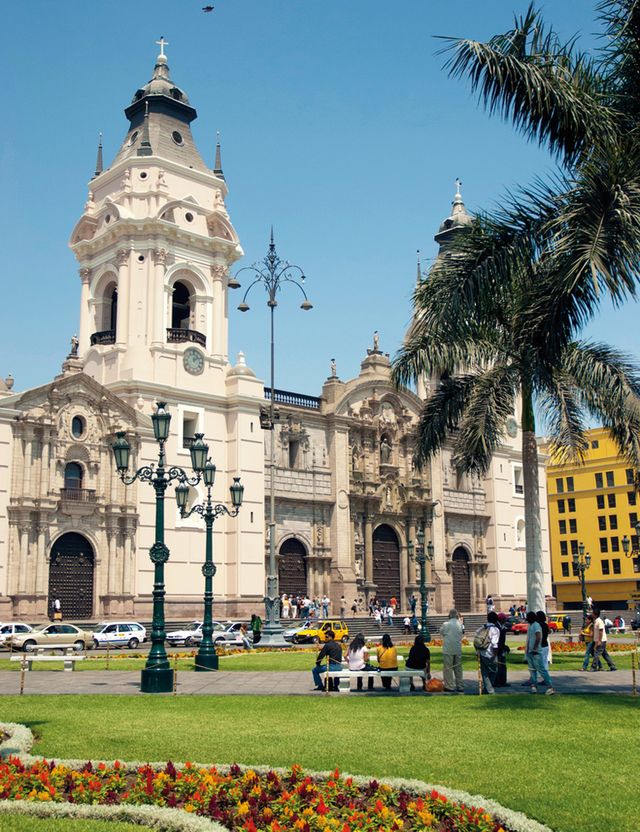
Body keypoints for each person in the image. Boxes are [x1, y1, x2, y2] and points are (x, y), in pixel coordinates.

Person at [525, 611, 555, 694]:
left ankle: (550, 687)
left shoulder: (536, 625)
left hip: (536, 651)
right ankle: (533, 685)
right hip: (531, 651)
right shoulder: (531, 626)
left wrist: (535, 648)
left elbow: (538, 637)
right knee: (532, 669)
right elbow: (530, 638)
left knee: (541, 669)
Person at [440, 609, 464, 693]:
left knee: (448, 668)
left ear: (449, 615)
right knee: (458, 668)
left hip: (448, 649)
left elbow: (441, 632)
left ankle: (449, 686)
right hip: (457, 648)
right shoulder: (460, 624)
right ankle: (460, 685)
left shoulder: (446, 624)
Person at [477, 611, 500, 694]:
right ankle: (490, 689)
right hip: (490, 653)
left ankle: (487, 689)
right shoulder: (495, 630)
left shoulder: (482, 627)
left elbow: (477, 637)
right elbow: (494, 644)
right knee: (494, 671)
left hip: (482, 652)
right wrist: (495, 654)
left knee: (485, 672)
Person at [494, 612, 510, 688]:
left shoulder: (502, 626)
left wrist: (505, 646)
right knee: (498, 666)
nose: (505, 620)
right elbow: (497, 640)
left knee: (503, 666)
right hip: (497, 649)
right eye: (504, 619)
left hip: (501, 648)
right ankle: (497, 681)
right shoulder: (496, 627)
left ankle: (503, 681)